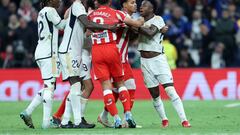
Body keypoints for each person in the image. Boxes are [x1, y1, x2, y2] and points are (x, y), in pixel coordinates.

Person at [58, 0, 115, 128]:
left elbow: (84, 28)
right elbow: (87, 23)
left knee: (77, 85)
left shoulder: (79, 8)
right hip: (69, 51)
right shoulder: (78, 5)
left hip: (75, 52)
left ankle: (67, 121)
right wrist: (108, 27)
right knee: (76, 84)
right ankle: (76, 121)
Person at [88, 0, 144, 128]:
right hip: (116, 54)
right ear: (124, 5)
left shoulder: (92, 14)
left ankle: (111, 117)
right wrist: (143, 19)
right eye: (132, 2)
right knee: (123, 86)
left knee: (113, 88)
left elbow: (87, 31)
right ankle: (125, 117)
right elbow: (137, 25)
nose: (135, 5)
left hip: (100, 52)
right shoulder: (119, 15)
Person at [137, 0, 191, 128]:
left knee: (170, 90)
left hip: (158, 60)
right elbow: (134, 35)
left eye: (145, 5)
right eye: (141, 4)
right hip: (145, 62)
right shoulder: (139, 20)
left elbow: (150, 33)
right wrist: (134, 26)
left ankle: (184, 120)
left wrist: (135, 26)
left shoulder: (158, 19)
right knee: (154, 94)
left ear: (152, 9)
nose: (141, 7)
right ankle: (164, 119)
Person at [19, 0, 68, 129]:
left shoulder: (41, 12)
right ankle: (46, 123)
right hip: (49, 54)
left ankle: (28, 111)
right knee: (49, 86)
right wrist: (70, 17)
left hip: (41, 52)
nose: (60, 1)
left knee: (51, 85)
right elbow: (61, 25)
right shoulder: (51, 10)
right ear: (50, 1)